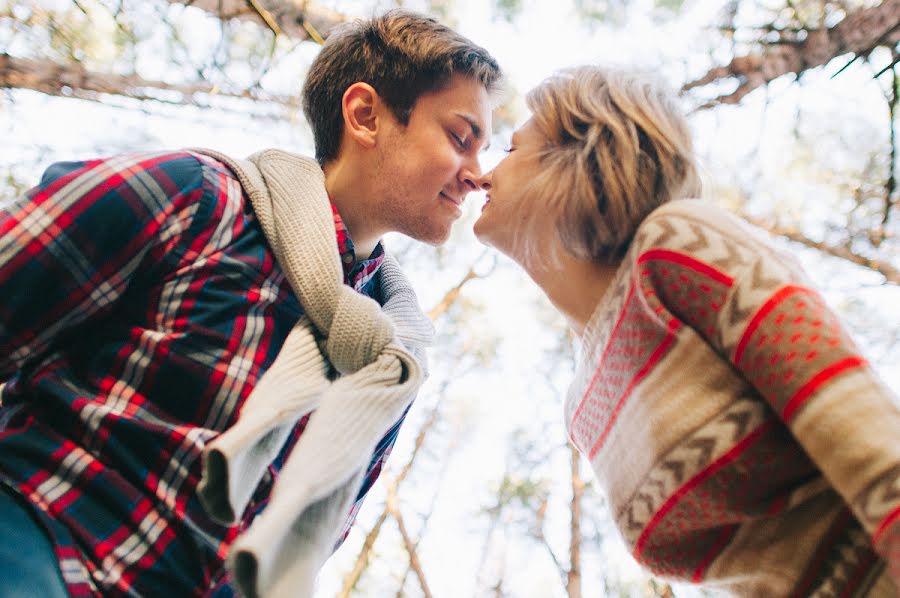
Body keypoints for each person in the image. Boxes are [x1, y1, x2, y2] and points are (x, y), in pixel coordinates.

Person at [0, 9, 500, 597]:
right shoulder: (201, 197)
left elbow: (306, 545)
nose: (477, 175)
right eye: (461, 138)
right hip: (41, 546)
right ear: (365, 116)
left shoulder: (389, 361)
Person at [473, 65, 900, 596]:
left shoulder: (677, 245)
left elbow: (865, 429)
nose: (481, 175)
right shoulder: (583, 405)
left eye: (511, 150)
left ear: (575, 156)